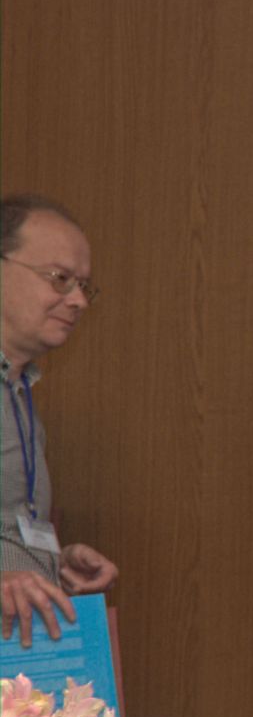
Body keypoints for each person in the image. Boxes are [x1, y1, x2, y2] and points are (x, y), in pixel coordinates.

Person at [0, 196, 118, 648]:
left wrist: (50, 562)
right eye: (60, 279)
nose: (79, 301)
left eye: (84, 286)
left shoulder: (19, 392)